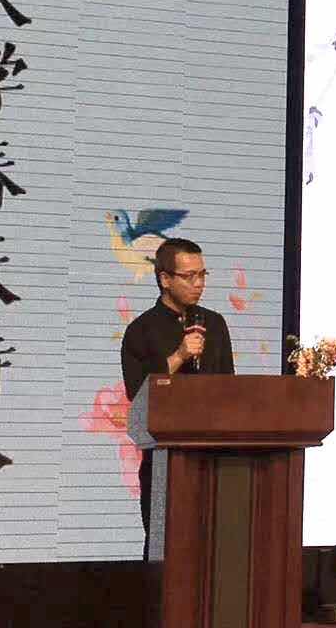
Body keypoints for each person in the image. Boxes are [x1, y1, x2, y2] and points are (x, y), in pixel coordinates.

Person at [120, 237, 235, 557]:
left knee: (214, 547)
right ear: (165, 279)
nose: (198, 284)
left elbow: (229, 387)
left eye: (202, 275)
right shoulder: (141, 330)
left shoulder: (214, 324)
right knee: (164, 549)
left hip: (212, 457)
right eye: (189, 276)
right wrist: (179, 356)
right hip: (163, 461)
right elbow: (138, 393)